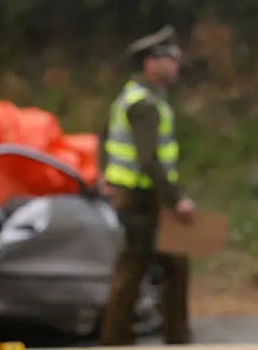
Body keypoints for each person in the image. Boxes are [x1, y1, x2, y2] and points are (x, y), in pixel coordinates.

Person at [99, 25, 196, 345]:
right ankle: (119, 339)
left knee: (170, 264)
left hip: (140, 196)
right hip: (143, 199)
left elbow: (104, 136)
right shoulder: (144, 104)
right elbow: (148, 159)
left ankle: (171, 335)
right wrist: (176, 199)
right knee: (134, 268)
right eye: (169, 59)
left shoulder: (135, 96)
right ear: (150, 63)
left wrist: (104, 173)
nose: (176, 65)